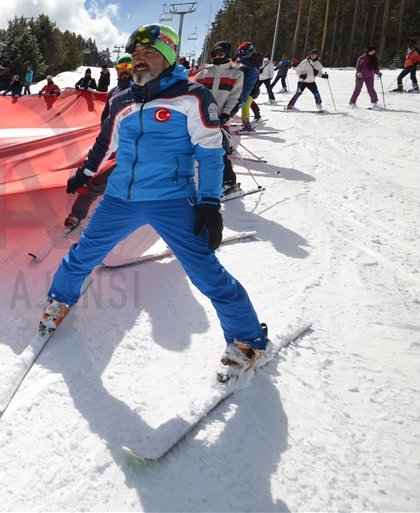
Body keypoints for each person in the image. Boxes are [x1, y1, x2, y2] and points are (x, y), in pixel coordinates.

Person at [42, 23, 267, 376]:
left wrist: (210, 203)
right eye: (136, 56)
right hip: (120, 199)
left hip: (172, 200)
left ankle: (246, 339)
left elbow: (209, 153)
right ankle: (60, 300)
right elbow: (106, 145)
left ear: (168, 57)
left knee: (206, 273)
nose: (140, 61)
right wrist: (85, 174)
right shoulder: (121, 99)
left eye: (149, 54)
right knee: (82, 255)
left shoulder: (192, 96)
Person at [63, 53, 133, 229]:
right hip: (113, 150)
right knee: (95, 183)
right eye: (121, 69)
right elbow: (105, 119)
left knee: (131, 190)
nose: (124, 72)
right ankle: (77, 216)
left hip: (136, 153)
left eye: (128, 68)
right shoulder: (114, 93)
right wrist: (106, 136)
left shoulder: (143, 91)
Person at [191, 41, 245, 195]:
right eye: (213, 53)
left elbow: (235, 98)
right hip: (201, 121)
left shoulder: (236, 74)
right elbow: (192, 97)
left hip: (221, 121)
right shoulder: (202, 74)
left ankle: (229, 183)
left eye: (220, 53)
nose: (216, 56)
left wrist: (225, 115)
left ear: (227, 54)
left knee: (218, 153)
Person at [233, 42, 261, 132]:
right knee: (245, 108)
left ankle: (246, 125)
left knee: (243, 108)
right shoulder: (254, 63)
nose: (239, 56)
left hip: (245, 92)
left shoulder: (246, 64)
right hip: (252, 91)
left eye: (241, 53)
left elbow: (233, 73)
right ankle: (246, 123)